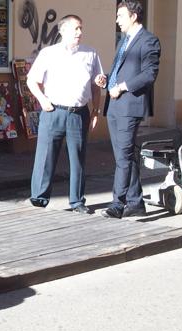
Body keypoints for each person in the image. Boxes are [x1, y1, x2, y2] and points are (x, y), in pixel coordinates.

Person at [26, 14, 103, 213]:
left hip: (78, 113)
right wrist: (42, 100)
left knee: (77, 159)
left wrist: (96, 110)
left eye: (81, 28)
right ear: (62, 31)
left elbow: (96, 85)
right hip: (53, 111)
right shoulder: (49, 53)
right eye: (75, 28)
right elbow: (32, 81)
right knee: (45, 157)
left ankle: (77, 202)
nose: (80, 32)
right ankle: (39, 198)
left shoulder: (90, 53)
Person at [99, 0, 161, 219]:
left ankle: (118, 204)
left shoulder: (149, 41)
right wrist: (106, 80)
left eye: (120, 15)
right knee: (124, 156)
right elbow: (119, 72)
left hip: (129, 105)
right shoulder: (124, 41)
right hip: (114, 104)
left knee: (124, 156)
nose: (117, 20)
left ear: (134, 16)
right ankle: (136, 202)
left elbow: (148, 74)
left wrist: (122, 87)